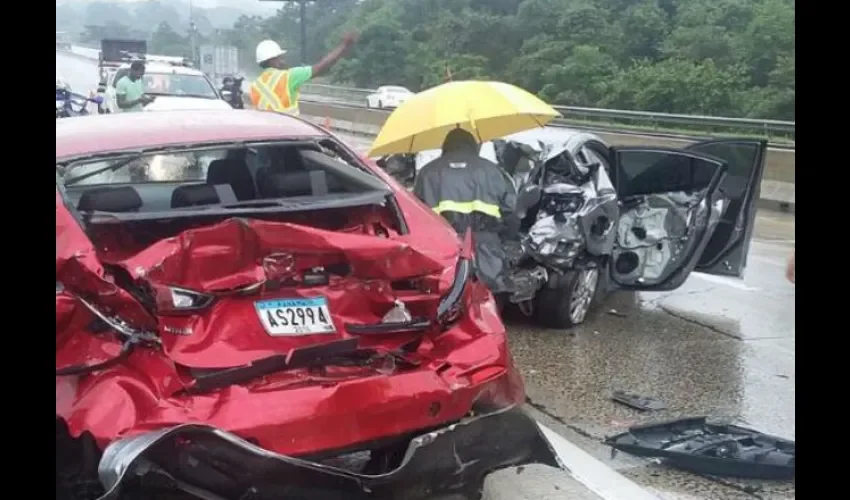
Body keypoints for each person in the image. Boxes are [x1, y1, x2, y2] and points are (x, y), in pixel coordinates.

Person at [413, 129, 519, 297]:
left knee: (444, 299)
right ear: (474, 146)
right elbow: (510, 213)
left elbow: (415, 214)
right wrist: (505, 240)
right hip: (486, 248)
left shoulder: (427, 173)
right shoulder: (493, 170)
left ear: (445, 146)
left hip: (442, 248)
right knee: (486, 302)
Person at [250, 32, 358, 115]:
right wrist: (344, 46)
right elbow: (321, 67)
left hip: (265, 140)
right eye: (280, 58)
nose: (284, 61)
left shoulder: (254, 86)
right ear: (272, 60)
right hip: (288, 135)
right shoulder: (288, 77)